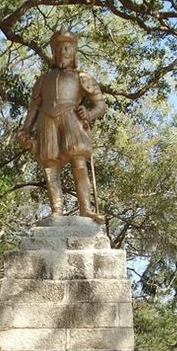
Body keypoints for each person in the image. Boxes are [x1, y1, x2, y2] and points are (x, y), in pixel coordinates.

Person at [17, 28, 106, 223]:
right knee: (50, 165)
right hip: (46, 119)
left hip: (71, 117)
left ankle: (86, 208)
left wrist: (89, 113)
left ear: (73, 51)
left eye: (67, 48)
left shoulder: (82, 76)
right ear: (53, 52)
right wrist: (25, 129)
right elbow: (33, 107)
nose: (63, 51)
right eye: (59, 48)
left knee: (78, 161)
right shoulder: (43, 80)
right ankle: (57, 210)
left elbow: (101, 105)